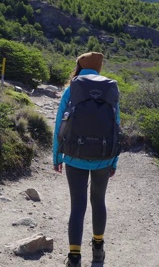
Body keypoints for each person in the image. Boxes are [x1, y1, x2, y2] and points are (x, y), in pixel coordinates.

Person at [52, 51, 120, 267]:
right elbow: (116, 126)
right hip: (103, 157)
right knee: (98, 201)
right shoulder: (110, 88)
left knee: (78, 206)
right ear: (99, 67)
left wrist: (57, 156)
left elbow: (59, 127)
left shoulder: (72, 88)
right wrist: (114, 160)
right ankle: (98, 250)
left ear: (80, 66)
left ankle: (74, 257)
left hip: (74, 155)